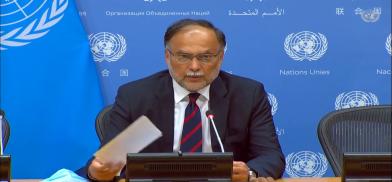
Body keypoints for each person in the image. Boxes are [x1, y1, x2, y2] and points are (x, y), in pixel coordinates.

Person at [84, 19, 285, 182]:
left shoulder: (247, 94)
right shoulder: (136, 96)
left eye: (206, 57)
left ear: (221, 57)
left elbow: (270, 156)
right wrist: (99, 172)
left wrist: (249, 173)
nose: (195, 66)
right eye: (183, 57)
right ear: (167, 57)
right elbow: (106, 164)